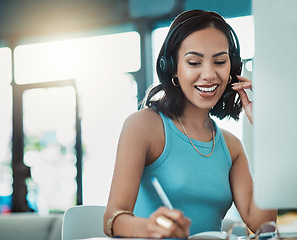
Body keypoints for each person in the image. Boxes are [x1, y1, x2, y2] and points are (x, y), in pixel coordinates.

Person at [103, 9, 277, 239]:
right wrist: (150, 228)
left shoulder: (231, 146)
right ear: (172, 67)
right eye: (194, 62)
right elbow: (112, 219)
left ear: (233, 69)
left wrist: (269, 133)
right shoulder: (143, 126)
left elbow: (262, 222)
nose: (208, 74)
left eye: (220, 61)